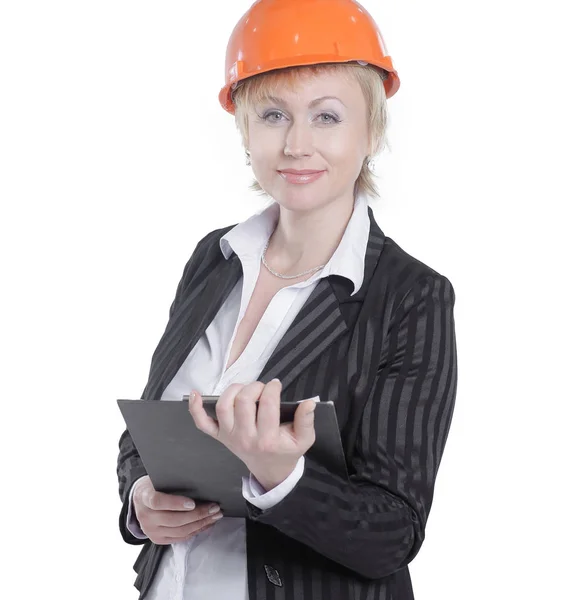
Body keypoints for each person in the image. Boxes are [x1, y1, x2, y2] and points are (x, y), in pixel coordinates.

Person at [116, 0, 458, 599]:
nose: (297, 144)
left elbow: (392, 534)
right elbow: (146, 433)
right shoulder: (213, 260)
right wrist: (140, 499)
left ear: (371, 130)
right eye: (273, 115)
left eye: (327, 117)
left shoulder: (411, 297)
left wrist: (281, 476)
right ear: (245, 129)